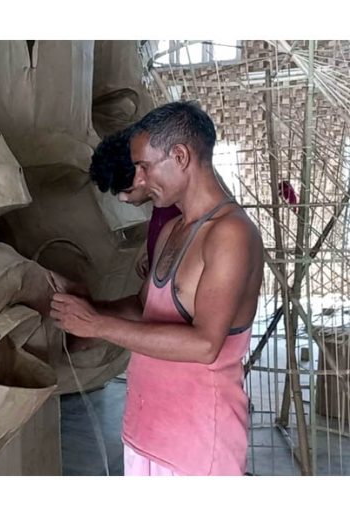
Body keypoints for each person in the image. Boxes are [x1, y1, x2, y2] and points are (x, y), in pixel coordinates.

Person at [50, 101, 264, 475]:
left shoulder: (231, 234)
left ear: (180, 156)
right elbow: (145, 308)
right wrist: (91, 308)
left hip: (198, 447)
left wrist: (99, 326)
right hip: (146, 433)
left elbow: (204, 344)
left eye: (145, 167)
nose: (140, 180)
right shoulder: (171, 230)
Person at [89, 128, 181, 276]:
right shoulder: (163, 200)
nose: (122, 198)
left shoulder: (181, 213)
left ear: (142, 175)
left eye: (127, 190)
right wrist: (149, 250)